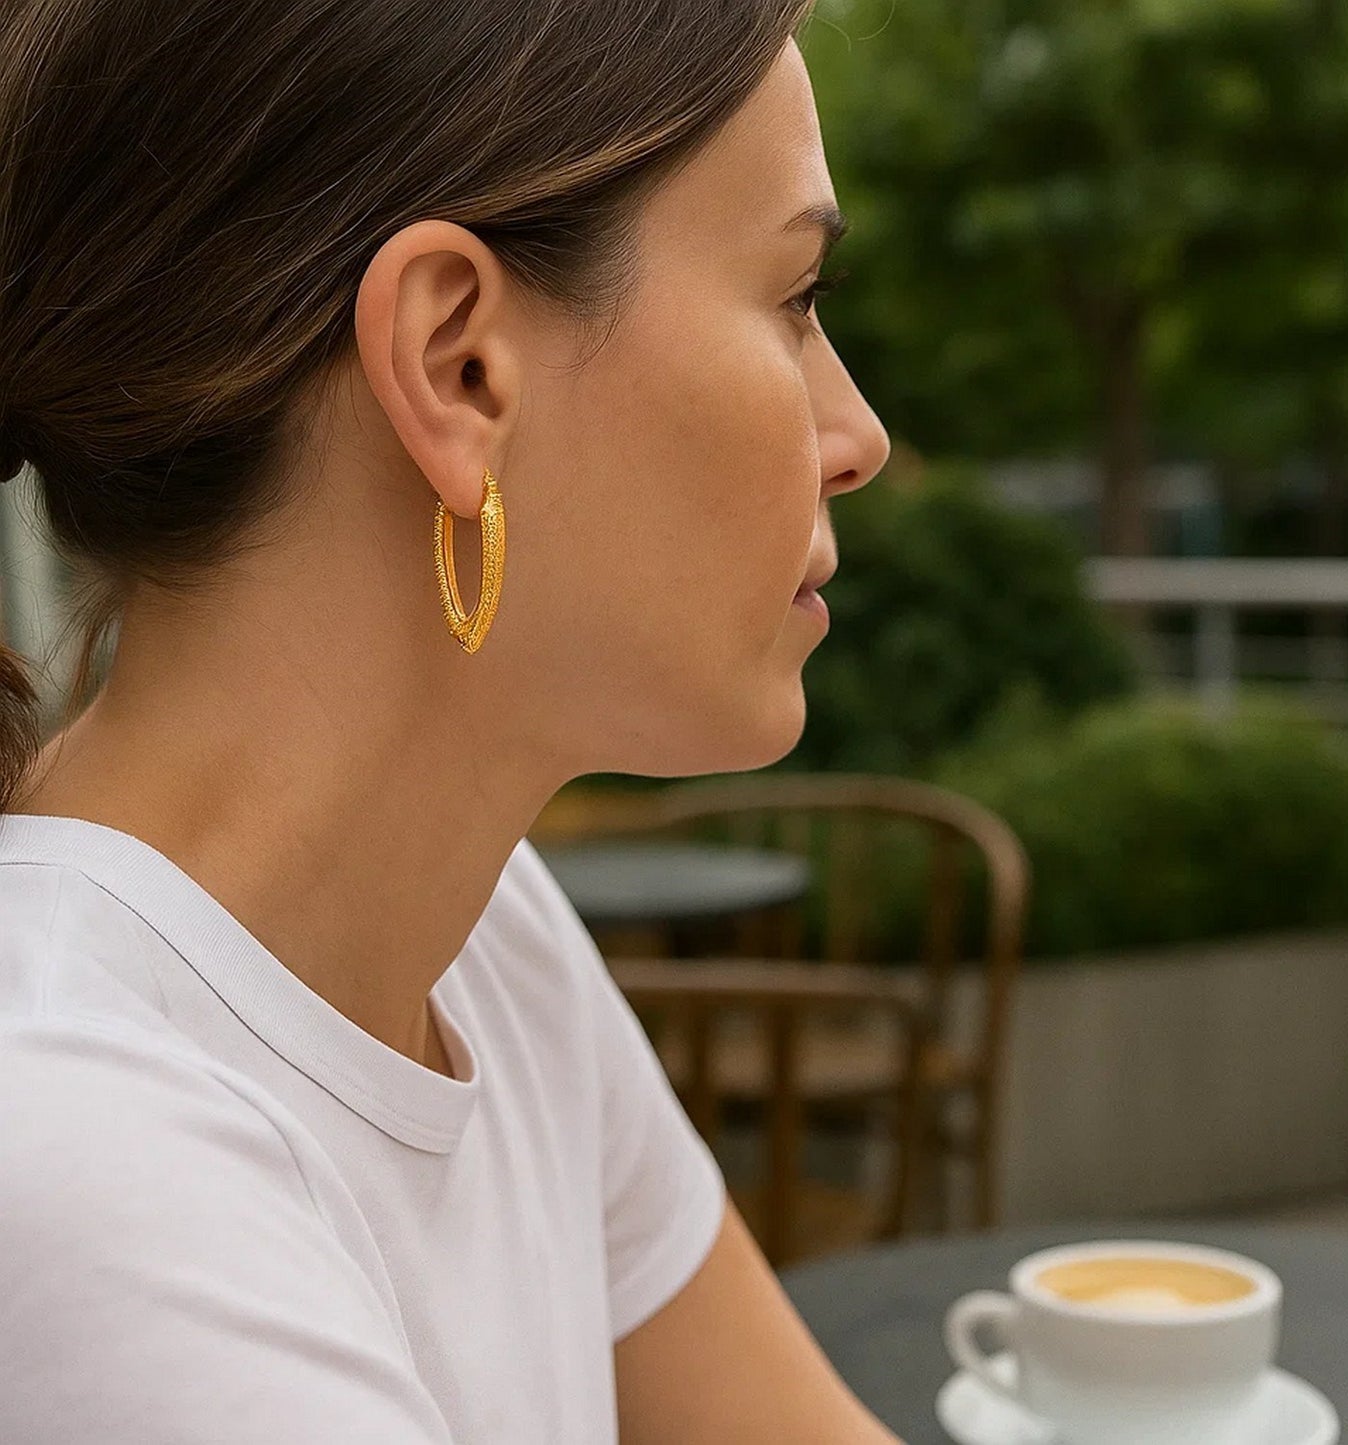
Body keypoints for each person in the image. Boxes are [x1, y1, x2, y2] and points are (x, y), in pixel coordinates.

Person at [0, 0, 895, 1440]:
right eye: (793, 299)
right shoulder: (76, 1161)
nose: (856, 437)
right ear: (458, 364)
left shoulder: (485, 939)